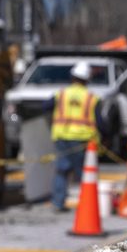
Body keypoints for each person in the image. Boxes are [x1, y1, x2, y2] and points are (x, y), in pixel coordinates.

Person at [49, 62, 98, 211]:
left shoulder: (61, 93)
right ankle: (86, 205)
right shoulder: (91, 97)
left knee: (62, 170)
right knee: (84, 173)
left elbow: (46, 106)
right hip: (82, 139)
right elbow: (101, 120)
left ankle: (58, 202)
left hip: (62, 137)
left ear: (72, 77)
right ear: (87, 79)